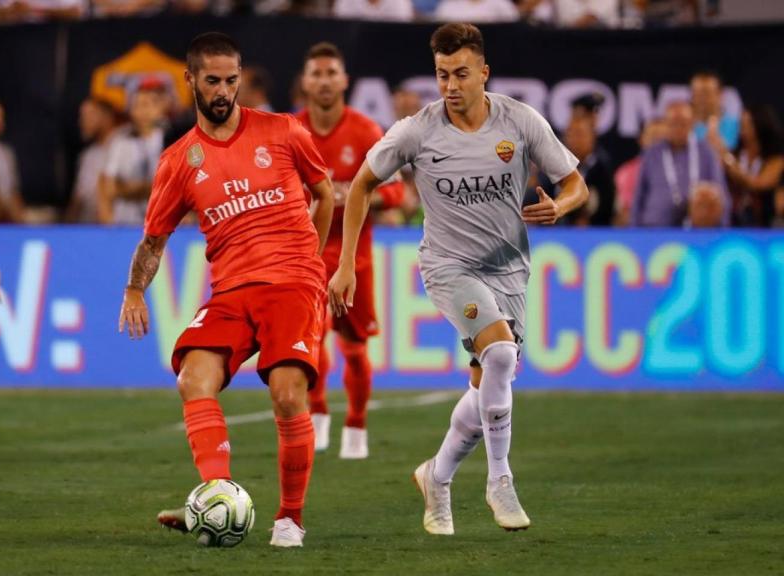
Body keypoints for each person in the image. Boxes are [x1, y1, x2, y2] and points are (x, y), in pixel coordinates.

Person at [328, 23, 587, 535]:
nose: (450, 85)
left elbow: (575, 183)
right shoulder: (416, 132)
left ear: (483, 74)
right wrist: (344, 265)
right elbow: (360, 186)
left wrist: (561, 205)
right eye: (442, 74)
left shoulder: (519, 121)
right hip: (449, 267)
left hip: (509, 269)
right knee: (500, 353)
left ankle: (437, 475)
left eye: (461, 74)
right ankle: (500, 480)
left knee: (488, 382)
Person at [118, 32, 334, 548]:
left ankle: (289, 519)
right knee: (193, 379)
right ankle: (217, 495)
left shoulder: (283, 131)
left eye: (231, 81)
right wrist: (133, 289)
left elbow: (324, 194)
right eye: (212, 81)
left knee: (286, 395)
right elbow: (154, 238)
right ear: (189, 80)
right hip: (232, 290)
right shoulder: (179, 161)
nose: (223, 91)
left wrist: (312, 262)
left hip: (291, 284)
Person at [296, 42, 404, 459]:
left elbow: (396, 192)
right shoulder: (292, 130)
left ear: (344, 80)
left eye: (331, 73)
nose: (324, 80)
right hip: (305, 255)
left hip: (354, 257)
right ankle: (318, 413)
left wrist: (355, 196)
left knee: (355, 347)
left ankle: (356, 424)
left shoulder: (364, 131)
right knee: (310, 338)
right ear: (305, 82)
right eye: (316, 73)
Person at [631, 100, 729, 227]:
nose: (678, 129)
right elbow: (639, 195)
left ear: (692, 124)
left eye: (683, 124)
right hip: (655, 229)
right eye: (673, 124)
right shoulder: (651, 153)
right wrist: (634, 230)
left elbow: (720, 193)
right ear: (665, 124)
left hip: (697, 231)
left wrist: (723, 228)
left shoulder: (706, 152)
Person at [100, 79, 168, 224]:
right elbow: (108, 188)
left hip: (162, 225)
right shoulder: (120, 143)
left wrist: (128, 188)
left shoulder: (171, 141)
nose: (143, 111)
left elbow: (176, 190)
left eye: (148, 105)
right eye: (137, 105)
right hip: (125, 224)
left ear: (160, 109)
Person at [715, 104, 784, 227]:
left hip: (765, 218)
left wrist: (730, 163)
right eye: (742, 123)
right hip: (733, 216)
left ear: (761, 125)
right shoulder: (735, 154)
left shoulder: (776, 158)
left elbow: (759, 184)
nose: (743, 129)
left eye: (748, 124)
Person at [67, 97, 119, 223]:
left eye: (90, 115)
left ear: (107, 117)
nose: (82, 122)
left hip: (119, 227)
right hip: (87, 227)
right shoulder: (87, 155)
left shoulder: (125, 146)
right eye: (82, 117)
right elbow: (78, 199)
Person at [691, 70, 740, 153]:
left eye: (706, 93)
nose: (701, 99)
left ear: (720, 94)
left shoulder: (737, 126)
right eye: (697, 94)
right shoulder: (685, 127)